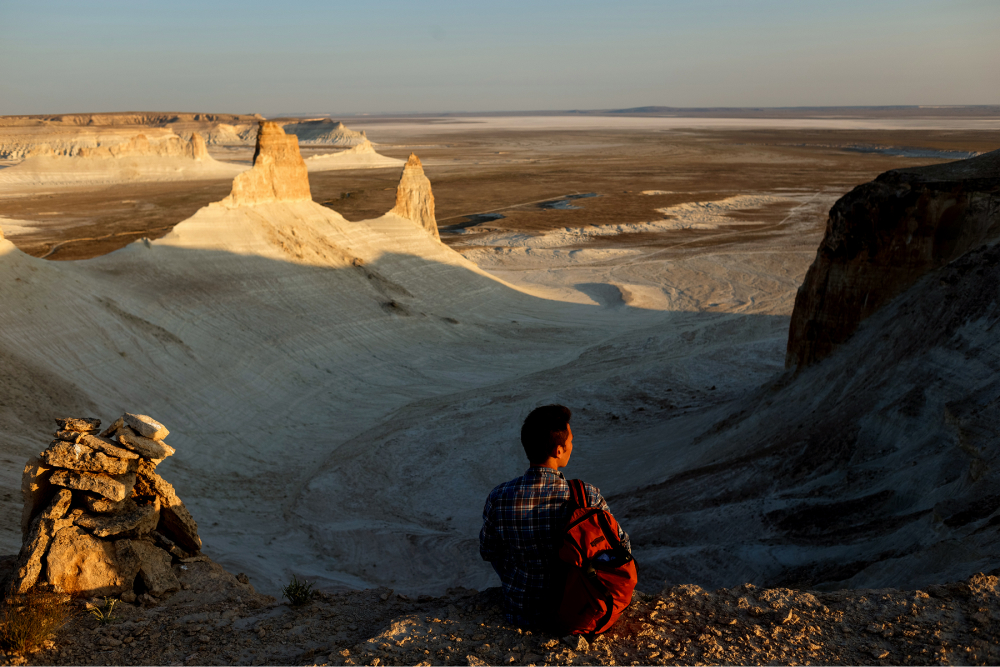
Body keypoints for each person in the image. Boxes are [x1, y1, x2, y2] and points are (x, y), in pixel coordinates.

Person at [479, 404, 631, 628]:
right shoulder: (586, 495)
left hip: (522, 613)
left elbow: (488, 551)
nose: (572, 445)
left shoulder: (499, 497)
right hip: (579, 612)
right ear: (558, 450)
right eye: (570, 441)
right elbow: (622, 549)